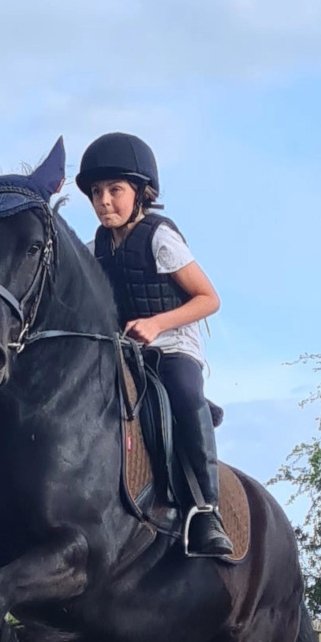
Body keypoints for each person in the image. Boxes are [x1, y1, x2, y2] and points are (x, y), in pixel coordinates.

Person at [76, 132, 233, 558]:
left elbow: (209, 299)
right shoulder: (95, 250)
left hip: (173, 345)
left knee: (182, 393)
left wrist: (157, 322)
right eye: (96, 192)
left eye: (115, 190)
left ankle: (205, 510)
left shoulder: (160, 239)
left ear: (141, 194)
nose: (104, 200)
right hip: (126, 351)